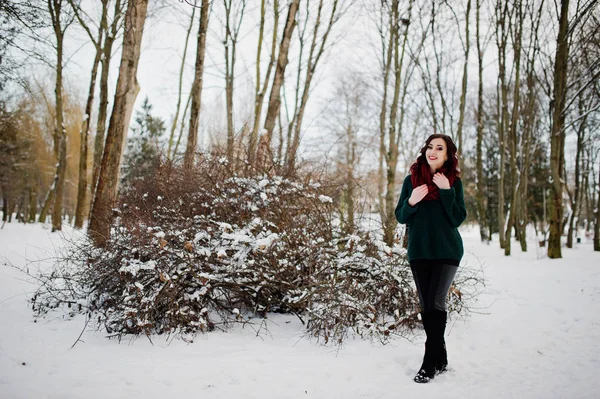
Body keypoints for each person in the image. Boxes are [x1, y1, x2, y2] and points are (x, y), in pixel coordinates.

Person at [395, 134, 467, 384]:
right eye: (430, 146)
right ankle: (441, 355)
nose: (433, 151)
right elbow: (401, 216)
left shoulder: (454, 182)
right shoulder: (410, 181)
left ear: (448, 155)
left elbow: (457, 218)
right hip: (419, 252)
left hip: (447, 252)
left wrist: (446, 191)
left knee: (436, 302)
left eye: (440, 148)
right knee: (427, 306)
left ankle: (429, 361)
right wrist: (412, 200)